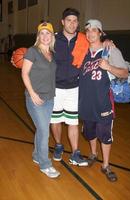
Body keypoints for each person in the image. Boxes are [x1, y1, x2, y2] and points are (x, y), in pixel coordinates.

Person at [78, 19, 128, 181]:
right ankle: (93, 154)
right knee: (89, 132)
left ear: (101, 32)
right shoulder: (82, 51)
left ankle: (106, 165)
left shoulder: (110, 50)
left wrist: (109, 67)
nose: (91, 33)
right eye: (88, 30)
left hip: (104, 102)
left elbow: (124, 73)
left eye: (94, 30)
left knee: (105, 135)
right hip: (85, 102)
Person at [50, 8, 88, 166]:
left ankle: (75, 153)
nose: (72, 24)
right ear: (62, 22)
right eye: (69, 20)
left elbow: (99, 39)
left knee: (73, 122)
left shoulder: (84, 40)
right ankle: (58, 145)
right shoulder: (53, 39)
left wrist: (107, 40)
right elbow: (38, 50)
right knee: (55, 120)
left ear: (78, 23)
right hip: (55, 87)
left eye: (75, 21)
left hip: (74, 87)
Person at [21, 22, 60, 178]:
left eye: (48, 33)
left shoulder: (52, 53)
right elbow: (24, 74)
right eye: (42, 33)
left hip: (49, 98)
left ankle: (37, 155)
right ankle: (45, 165)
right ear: (38, 36)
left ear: (52, 36)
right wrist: (33, 94)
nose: (45, 36)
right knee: (44, 131)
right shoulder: (32, 51)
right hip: (34, 98)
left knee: (41, 129)